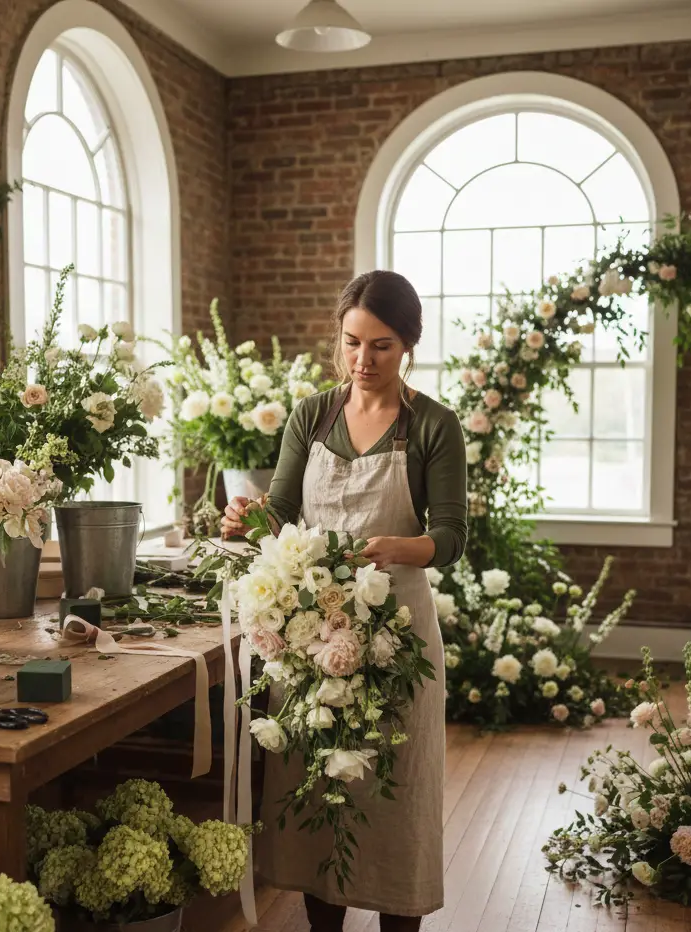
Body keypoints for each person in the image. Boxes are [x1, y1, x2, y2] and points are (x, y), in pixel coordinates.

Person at [221, 270, 467, 931]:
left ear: (408, 343)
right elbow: (281, 513)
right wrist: (247, 518)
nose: (363, 360)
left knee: (394, 795)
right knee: (317, 788)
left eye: (381, 345)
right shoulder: (312, 415)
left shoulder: (433, 425)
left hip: (397, 635)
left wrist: (396, 547)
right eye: (352, 342)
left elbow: (451, 536)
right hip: (312, 631)